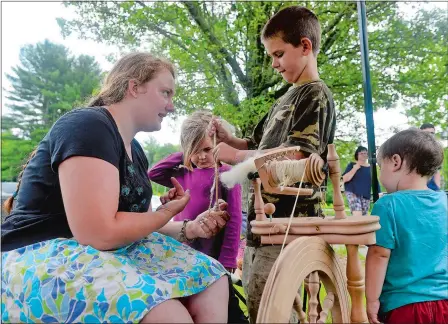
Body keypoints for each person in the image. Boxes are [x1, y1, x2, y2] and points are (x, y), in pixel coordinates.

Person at [1, 52, 232, 323]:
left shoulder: (136, 150)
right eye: (165, 93)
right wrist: (163, 213)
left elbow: (141, 224)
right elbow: (99, 233)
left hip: (98, 252)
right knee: (166, 313)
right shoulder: (88, 126)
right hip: (41, 252)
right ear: (135, 87)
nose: (171, 106)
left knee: (211, 278)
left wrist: (190, 227)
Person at [209, 6, 336, 323]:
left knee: (274, 312)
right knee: (257, 304)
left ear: (305, 46)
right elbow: (257, 147)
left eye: (279, 54)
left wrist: (235, 156)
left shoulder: (315, 96)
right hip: (262, 229)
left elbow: (298, 158)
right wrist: (233, 141)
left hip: (289, 230)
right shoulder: (285, 98)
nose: (274, 64)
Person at [365, 129, 448, 324]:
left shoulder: (387, 205)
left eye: (379, 166)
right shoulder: (445, 201)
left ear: (395, 161)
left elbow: (379, 254)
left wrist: (372, 299)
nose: (380, 174)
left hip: (405, 306)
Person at [149, 110, 242, 272]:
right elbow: (153, 173)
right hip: (181, 248)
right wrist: (185, 153)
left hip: (211, 252)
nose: (202, 156)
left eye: (207, 149)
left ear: (218, 145)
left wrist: (228, 258)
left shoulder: (227, 174)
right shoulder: (182, 173)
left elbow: (234, 220)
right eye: (195, 150)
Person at [342, 146, 378, 216]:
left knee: (364, 216)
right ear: (357, 155)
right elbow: (343, 179)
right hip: (353, 192)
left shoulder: (371, 168)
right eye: (362, 153)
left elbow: (375, 182)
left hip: (365, 194)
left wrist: (378, 193)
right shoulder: (352, 165)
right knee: (357, 214)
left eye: (366, 153)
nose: (364, 155)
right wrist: (354, 169)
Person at [420, 123, 442, 191]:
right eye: (427, 133)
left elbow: (437, 170)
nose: (430, 135)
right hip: (416, 188)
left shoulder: (437, 150)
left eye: (432, 133)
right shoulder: (414, 149)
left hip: (432, 189)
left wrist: (437, 187)